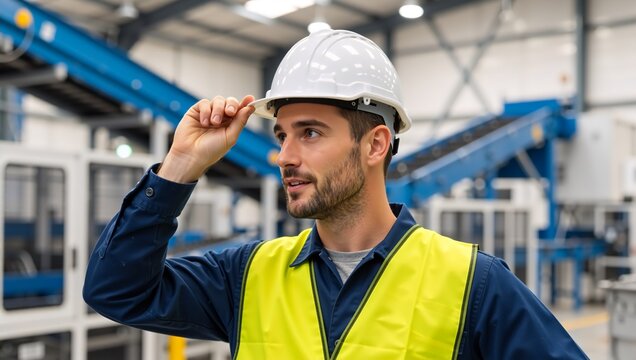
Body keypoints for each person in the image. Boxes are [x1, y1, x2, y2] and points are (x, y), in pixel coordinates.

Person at [83, 29, 587, 359]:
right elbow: (116, 291)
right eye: (282, 135)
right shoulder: (247, 276)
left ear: (375, 144)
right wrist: (181, 166)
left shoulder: (472, 284)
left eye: (311, 133)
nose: (284, 156)